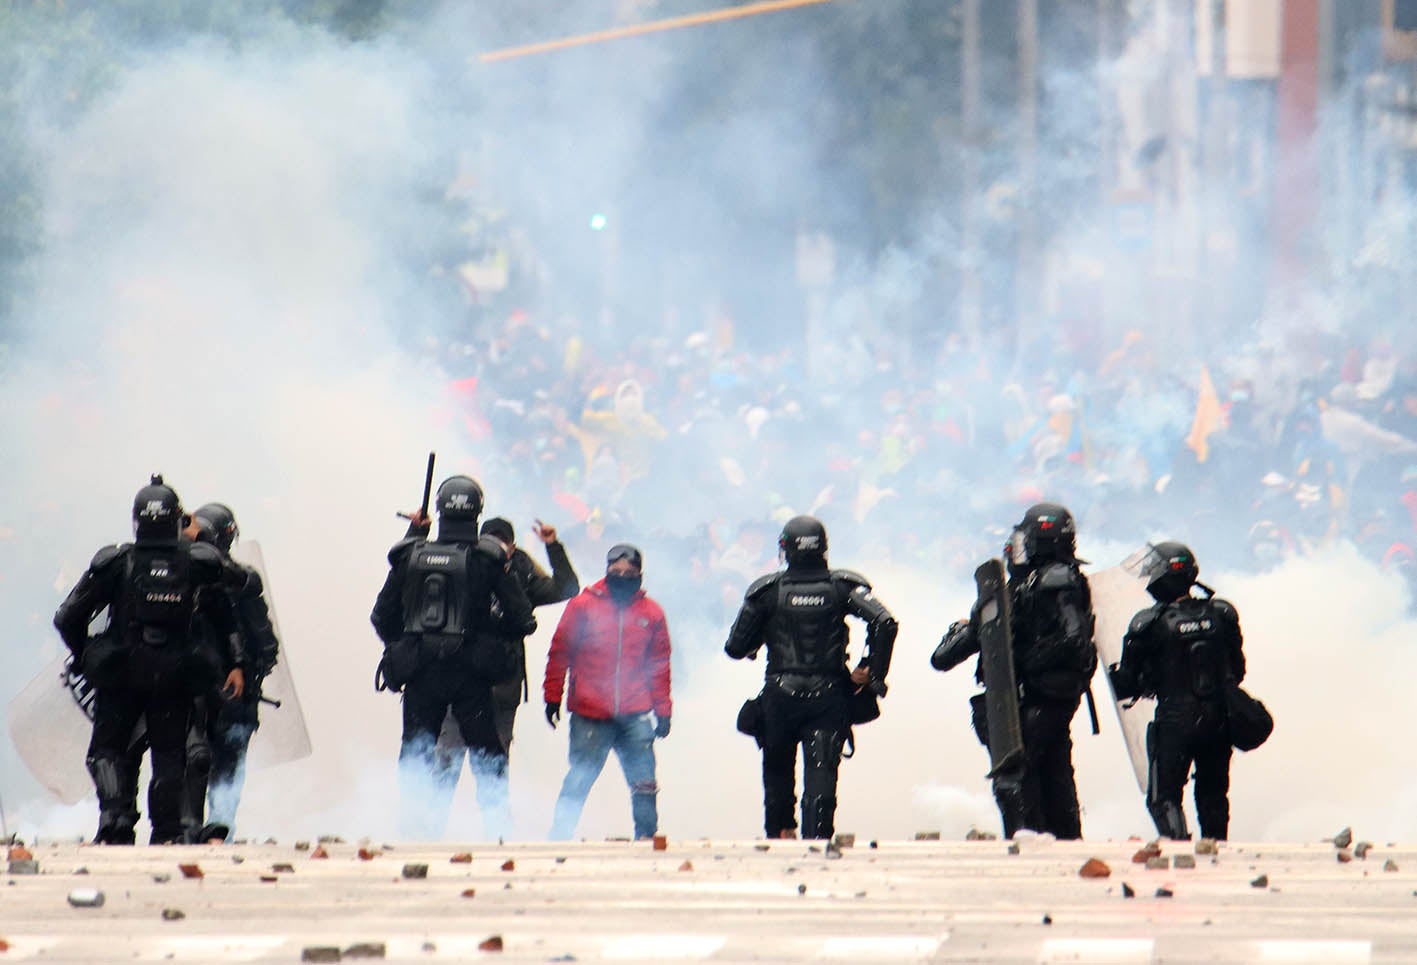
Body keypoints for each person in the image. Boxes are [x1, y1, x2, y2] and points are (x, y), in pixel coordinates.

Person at [53, 475, 245, 844]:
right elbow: (239, 582)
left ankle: (114, 819)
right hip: (175, 675)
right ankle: (166, 831)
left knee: (107, 751)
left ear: (136, 520)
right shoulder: (197, 561)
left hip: (121, 674)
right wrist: (201, 541)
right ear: (178, 519)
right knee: (169, 756)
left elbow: (67, 617)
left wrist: (86, 655)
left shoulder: (116, 561)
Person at [370, 475, 536, 839]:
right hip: (470, 674)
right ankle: (498, 832)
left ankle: (410, 830)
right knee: (487, 755)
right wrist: (490, 638)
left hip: (421, 673)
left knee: (415, 752)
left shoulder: (410, 556)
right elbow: (523, 620)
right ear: (477, 511)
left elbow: (381, 616)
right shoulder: (487, 560)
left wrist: (409, 645)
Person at [725, 515, 898, 840]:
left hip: (780, 697)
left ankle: (780, 840)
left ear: (785, 549)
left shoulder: (766, 591)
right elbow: (884, 622)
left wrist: (760, 637)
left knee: (777, 777)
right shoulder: (843, 586)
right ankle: (817, 846)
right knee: (822, 782)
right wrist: (871, 672)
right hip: (828, 696)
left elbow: (735, 648)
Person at [932, 502, 1097, 840]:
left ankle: (1025, 837)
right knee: (1053, 773)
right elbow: (945, 657)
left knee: (1013, 772)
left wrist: (1026, 661)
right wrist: (972, 628)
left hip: (1042, 695)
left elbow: (1074, 639)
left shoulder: (1054, 580)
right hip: (1045, 697)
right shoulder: (1030, 585)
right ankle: (1065, 841)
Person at [428, 515, 580, 835]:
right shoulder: (462, 563)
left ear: (512, 547)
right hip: (459, 680)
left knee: (493, 764)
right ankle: (428, 829)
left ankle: (497, 834)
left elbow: (566, 588)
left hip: (501, 686)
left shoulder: (521, 570)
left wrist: (553, 546)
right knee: (445, 760)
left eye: (503, 543)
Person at [1108, 541, 1247, 840]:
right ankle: (1216, 852)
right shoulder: (1222, 615)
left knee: (1164, 798)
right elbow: (1238, 670)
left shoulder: (1148, 624)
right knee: (1213, 795)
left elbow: (1128, 684)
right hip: (1218, 720)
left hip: (1175, 722)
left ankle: (1179, 850)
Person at [543, 543, 671, 841]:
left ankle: (647, 840)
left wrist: (663, 710)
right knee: (579, 780)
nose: (623, 576)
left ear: (640, 574)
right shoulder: (583, 606)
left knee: (645, 783)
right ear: (607, 570)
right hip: (590, 712)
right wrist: (552, 696)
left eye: (629, 572)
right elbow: (560, 652)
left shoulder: (652, 613)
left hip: (635, 713)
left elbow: (660, 665)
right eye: (616, 570)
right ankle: (558, 838)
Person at [186, 502, 281, 840]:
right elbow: (267, 645)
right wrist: (251, 674)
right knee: (227, 767)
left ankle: (186, 830)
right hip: (234, 696)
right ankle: (218, 832)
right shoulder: (242, 581)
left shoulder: (179, 575)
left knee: (186, 759)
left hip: (188, 691)